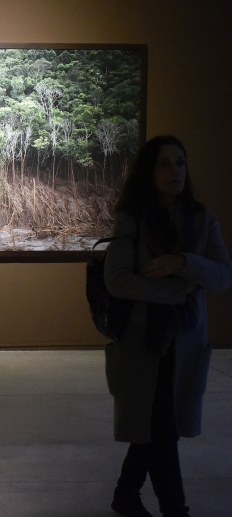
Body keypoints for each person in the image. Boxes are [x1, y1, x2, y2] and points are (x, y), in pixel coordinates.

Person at [104, 135, 232, 516]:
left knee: (157, 428)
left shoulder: (202, 219)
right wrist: (177, 293)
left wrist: (183, 262)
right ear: (148, 170)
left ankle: (126, 494)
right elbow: (118, 280)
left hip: (186, 343)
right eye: (164, 163)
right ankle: (176, 510)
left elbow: (223, 276)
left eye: (180, 162)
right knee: (161, 429)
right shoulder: (132, 219)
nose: (174, 171)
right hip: (145, 343)